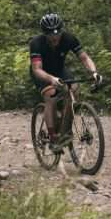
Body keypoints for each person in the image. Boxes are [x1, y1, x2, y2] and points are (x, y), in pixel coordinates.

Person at [30, 13, 102, 149]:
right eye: (50, 34)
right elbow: (37, 69)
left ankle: (65, 128)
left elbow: (85, 58)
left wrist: (94, 73)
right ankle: (53, 137)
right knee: (50, 95)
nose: (55, 37)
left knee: (74, 89)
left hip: (59, 70)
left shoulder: (69, 38)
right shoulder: (36, 43)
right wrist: (51, 79)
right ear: (45, 34)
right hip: (42, 72)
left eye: (57, 33)